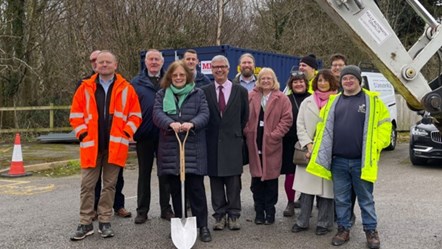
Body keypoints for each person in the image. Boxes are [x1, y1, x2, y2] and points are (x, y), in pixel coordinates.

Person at [306, 65, 391, 249]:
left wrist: (376, 144)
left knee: (365, 198)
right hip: (338, 161)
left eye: (352, 78)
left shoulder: (372, 101)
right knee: (341, 199)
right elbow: (322, 127)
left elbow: (385, 125)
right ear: (341, 81)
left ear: (359, 80)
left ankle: (371, 231)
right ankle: (343, 229)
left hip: (362, 160)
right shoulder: (334, 101)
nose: (348, 81)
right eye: (345, 78)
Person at [69, 51, 142, 240]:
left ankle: (104, 222)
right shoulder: (85, 87)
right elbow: (75, 114)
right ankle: (85, 223)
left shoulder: (127, 88)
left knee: (110, 186)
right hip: (91, 146)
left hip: (115, 146)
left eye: (108, 62)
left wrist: (126, 133)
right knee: (87, 185)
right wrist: (83, 134)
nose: (104, 65)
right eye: (100, 62)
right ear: (95, 65)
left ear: (115, 65)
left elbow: (135, 115)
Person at [152, 60, 212, 242]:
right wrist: (170, 123)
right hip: (171, 149)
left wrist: (192, 123)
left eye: (182, 75)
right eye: (175, 75)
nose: (178, 78)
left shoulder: (198, 93)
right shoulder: (162, 94)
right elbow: (157, 114)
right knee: (176, 191)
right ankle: (178, 223)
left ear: (188, 76)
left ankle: (202, 226)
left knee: (196, 189)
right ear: (169, 77)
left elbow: (205, 114)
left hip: (193, 147)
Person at [201, 55, 249, 231]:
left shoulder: (240, 91)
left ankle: (234, 215)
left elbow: (245, 116)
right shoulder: (204, 91)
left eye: (222, 66)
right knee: (215, 181)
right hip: (212, 142)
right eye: (215, 67)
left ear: (229, 69)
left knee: (233, 182)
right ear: (211, 69)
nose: (219, 70)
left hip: (233, 142)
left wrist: (235, 133)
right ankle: (219, 215)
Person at [291, 69, 338, 236]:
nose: (322, 83)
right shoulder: (307, 101)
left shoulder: (337, 101)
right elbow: (300, 125)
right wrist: (308, 145)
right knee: (306, 189)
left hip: (328, 151)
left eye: (326, 80)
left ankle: (324, 223)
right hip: (308, 151)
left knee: (326, 191)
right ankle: (302, 221)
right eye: (320, 80)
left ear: (332, 82)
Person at [244, 68, 292, 225]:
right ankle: (259, 211)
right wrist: (248, 131)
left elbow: (287, 119)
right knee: (256, 181)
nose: (265, 81)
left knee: (271, 181)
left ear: (274, 80)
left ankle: (270, 211)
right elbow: (244, 116)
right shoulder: (251, 96)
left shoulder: (282, 98)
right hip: (254, 142)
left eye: (269, 78)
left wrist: (275, 135)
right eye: (263, 78)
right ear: (258, 80)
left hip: (272, 145)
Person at [131, 49, 174, 224]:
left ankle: (166, 208)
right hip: (144, 134)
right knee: (144, 173)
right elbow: (130, 108)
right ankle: (142, 211)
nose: (154, 62)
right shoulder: (136, 82)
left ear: (162, 62)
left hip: (165, 134)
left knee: (165, 173)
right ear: (146, 62)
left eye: (157, 59)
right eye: (151, 59)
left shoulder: (170, 80)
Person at [280, 71, 311, 217]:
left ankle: (306, 203)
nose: (298, 84)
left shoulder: (312, 99)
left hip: (308, 142)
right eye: (295, 82)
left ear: (306, 83)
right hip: (289, 142)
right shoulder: (285, 99)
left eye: (301, 81)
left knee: (308, 174)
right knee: (290, 174)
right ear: (291, 84)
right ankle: (290, 202)